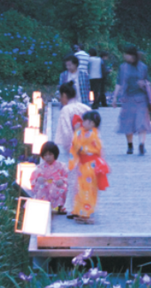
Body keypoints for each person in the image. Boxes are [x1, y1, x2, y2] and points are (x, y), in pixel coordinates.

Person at [54, 81, 91, 216]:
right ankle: (86, 206)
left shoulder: (66, 110)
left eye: (60, 96)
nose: (60, 99)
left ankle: (73, 208)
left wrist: (70, 147)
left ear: (64, 95)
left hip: (74, 147)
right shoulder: (85, 108)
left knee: (73, 176)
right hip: (88, 146)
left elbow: (66, 131)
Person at [68, 111, 109, 224]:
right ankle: (80, 211)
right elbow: (75, 145)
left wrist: (102, 163)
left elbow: (99, 149)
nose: (83, 123)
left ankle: (87, 213)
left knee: (89, 189)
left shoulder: (93, 134)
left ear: (92, 123)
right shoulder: (81, 132)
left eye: (85, 121)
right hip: (82, 165)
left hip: (91, 165)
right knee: (80, 188)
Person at [112, 45, 151, 155]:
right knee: (127, 123)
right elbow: (119, 82)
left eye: (127, 54)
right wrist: (114, 97)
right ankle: (130, 145)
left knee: (141, 123)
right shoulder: (123, 67)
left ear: (133, 56)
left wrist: (143, 84)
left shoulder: (143, 67)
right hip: (128, 98)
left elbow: (148, 82)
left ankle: (141, 145)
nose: (125, 56)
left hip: (141, 99)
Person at [30, 141, 68, 214]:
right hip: (45, 185)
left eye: (50, 154)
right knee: (41, 187)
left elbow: (66, 176)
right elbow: (34, 178)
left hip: (56, 184)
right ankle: (43, 206)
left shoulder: (61, 166)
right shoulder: (40, 167)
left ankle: (59, 206)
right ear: (43, 156)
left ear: (55, 154)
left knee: (62, 188)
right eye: (45, 155)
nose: (48, 157)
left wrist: (62, 180)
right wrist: (38, 179)